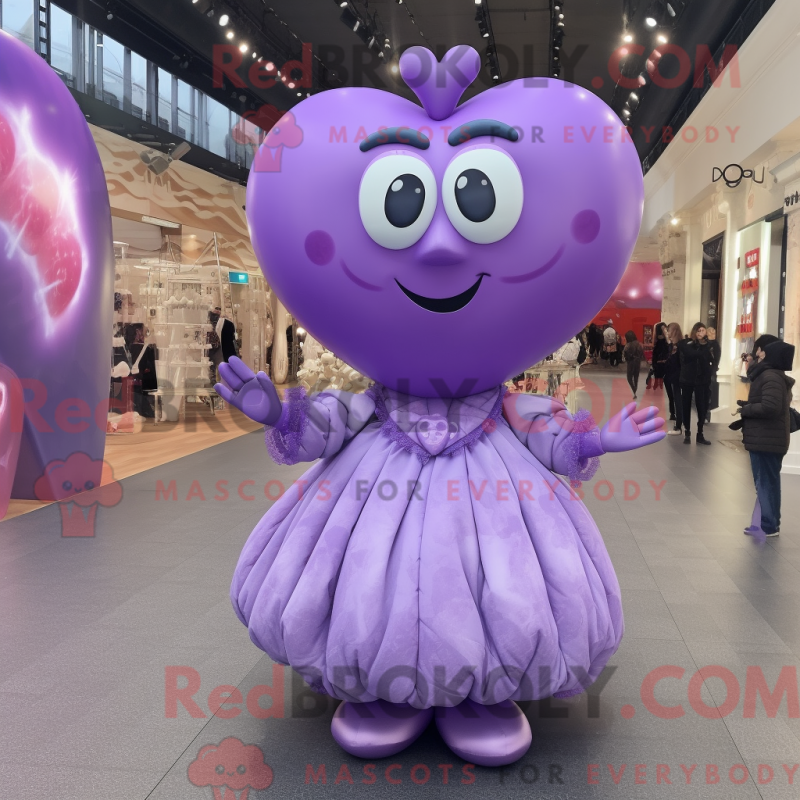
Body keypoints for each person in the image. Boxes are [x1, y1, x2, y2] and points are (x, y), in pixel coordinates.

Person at [739, 339, 796, 537]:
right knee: (767, 481)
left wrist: (747, 409)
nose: (759, 354)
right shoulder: (772, 375)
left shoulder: (770, 376)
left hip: (766, 438)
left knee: (765, 482)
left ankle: (769, 525)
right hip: (767, 437)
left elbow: (770, 407)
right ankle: (768, 523)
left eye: (763, 352)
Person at [678, 323, 715, 445]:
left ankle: (700, 433)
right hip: (687, 379)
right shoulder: (686, 343)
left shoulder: (709, 345)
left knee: (701, 406)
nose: (700, 333)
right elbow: (690, 354)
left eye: (703, 330)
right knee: (686, 405)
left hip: (702, 380)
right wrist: (704, 347)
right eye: (698, 330)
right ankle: (687, 432)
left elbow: (713, 359)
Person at [664, 322, 683, 434]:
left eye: (669, 330)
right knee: (676, 399)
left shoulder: (679, 346)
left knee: (678, 400)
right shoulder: (672, 345)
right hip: (674, 376)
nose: (667, 332)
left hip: (678, 376)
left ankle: (679, 425)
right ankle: (679, 424)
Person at [706, 326, 722, 423]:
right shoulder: (715, 345)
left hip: (710, 371)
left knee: (709, 392)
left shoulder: (710, 345)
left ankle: (708, 413)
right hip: (712, 370)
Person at [623, 331, 644, 398]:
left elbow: (625, 355)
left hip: (631, 362)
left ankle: (634, 390)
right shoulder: (639, 344)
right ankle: (635, 391)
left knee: (629, 378)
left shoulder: (628, 345)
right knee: (636, 377)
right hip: (638, 362)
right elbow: (641, 353)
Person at [652, 323, 669, 392]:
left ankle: (658, 383)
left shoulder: (663, 341)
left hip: (661, 356)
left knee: (660, 371)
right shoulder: (661, 341)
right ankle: (658, 383)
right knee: (658, 371)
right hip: (659, 356)